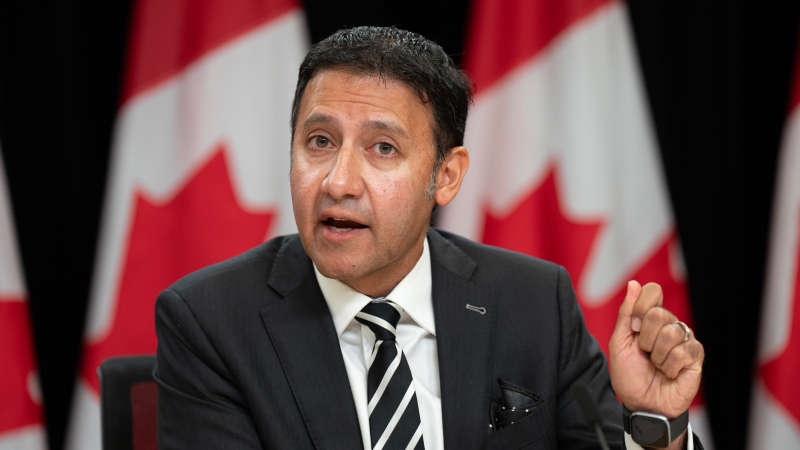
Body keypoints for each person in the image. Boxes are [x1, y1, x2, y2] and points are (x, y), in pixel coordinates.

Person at [154, 26, 705, 450]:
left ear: (446, 176)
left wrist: (654, 424)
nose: (338, 182)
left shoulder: (535, 303)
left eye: (383, 148)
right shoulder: (211, 322)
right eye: (319, 141)